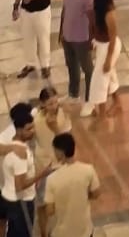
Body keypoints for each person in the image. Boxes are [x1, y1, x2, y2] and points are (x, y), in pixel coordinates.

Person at [2, 103, 46, 237]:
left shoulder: (19, 135)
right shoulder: (20, 153)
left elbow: (36, 110)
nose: (33, 131)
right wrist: (41, 174)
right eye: (29, 129)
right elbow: (20, 186)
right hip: (21, 202)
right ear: (19, 130)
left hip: (8, 195)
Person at [43, 134, 99, 237]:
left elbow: (50, 210)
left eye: (55, 150)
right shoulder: (88, 169)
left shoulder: (52, 179)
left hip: (61, 233)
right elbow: (96, 194)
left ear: (60, 152)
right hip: (85, 231)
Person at [33, 90, 70, 237]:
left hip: (60, 163)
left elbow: (66, 139)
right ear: (42, 104)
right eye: (50, 103)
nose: (54, 106)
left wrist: (55, 128)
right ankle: (43, 232)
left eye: (55, 102)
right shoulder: (36, 119)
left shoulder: (62, 114)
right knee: (42, 203)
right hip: (43, 165)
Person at [80, 0, 119, 119]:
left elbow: (113, 39)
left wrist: (108, 59)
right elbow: (92, 27)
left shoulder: (109, 14)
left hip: (110, 46)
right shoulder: (96, 10)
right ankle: (117, 103)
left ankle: (101, 112)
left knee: (100, 79)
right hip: (100, 45)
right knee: (110, 75)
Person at [57, 0, 92, 105]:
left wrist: (91, 39)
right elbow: (64, 10)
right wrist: (61, 32)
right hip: (67, 37)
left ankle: (90, 99)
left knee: (88, 69)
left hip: (81, 38)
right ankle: (73, 94)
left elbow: (92, 17)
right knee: (71, 66)